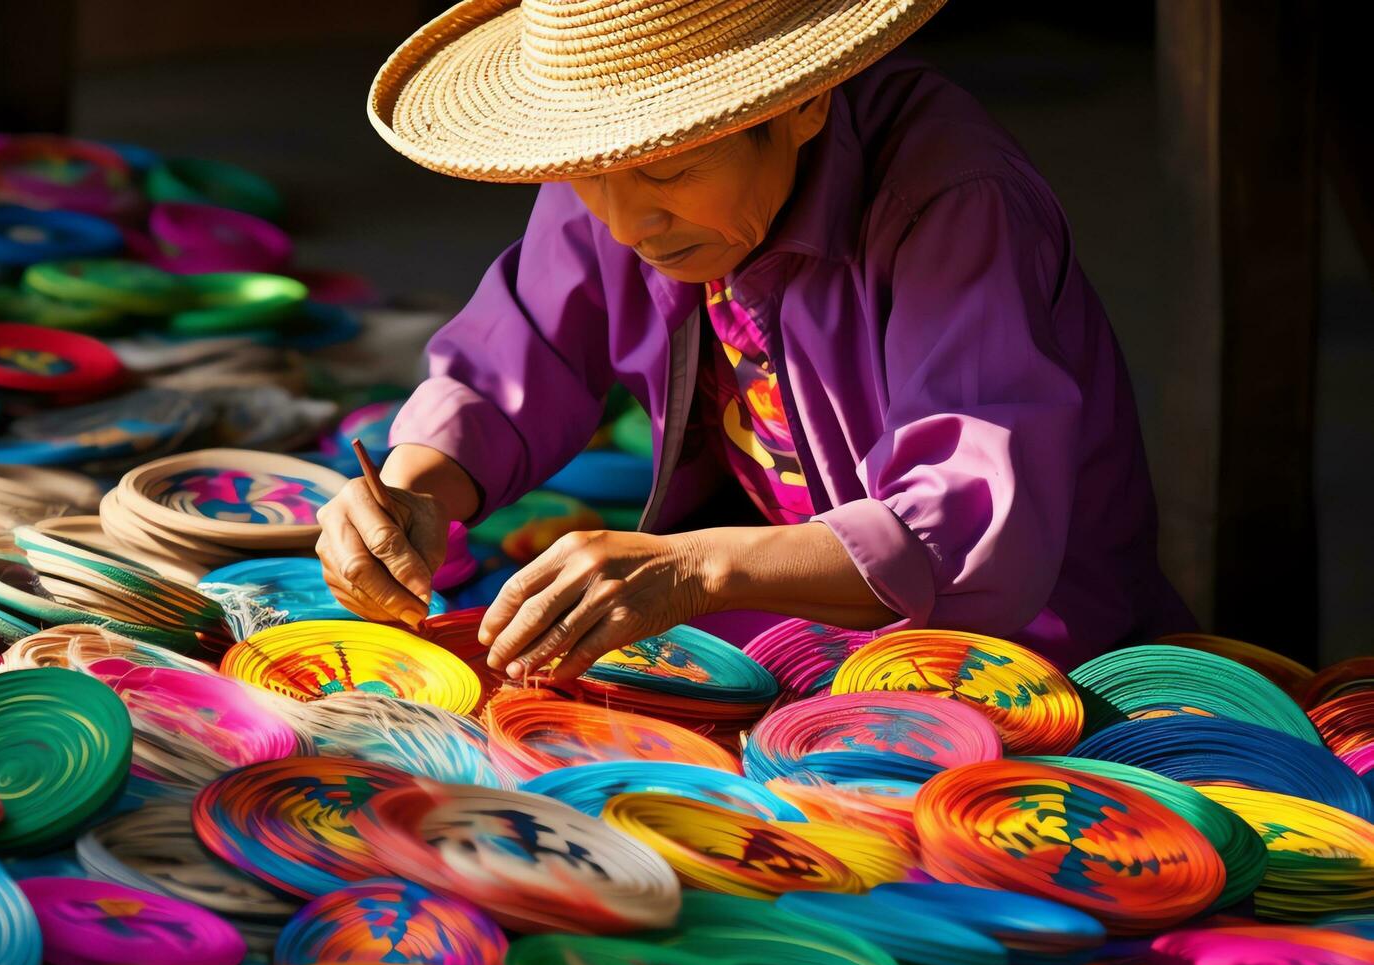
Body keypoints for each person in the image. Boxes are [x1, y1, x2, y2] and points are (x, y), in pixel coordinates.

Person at [317, 0, 1193, 681]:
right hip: (794, 615)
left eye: (670, 169)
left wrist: (698, 567)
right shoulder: (617, 164)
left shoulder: (952, 203)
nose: (625, 223)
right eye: (586, 176)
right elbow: (520, 354)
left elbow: (963, 526)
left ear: (799, 101)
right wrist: (413, 491)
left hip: (1022, 651)